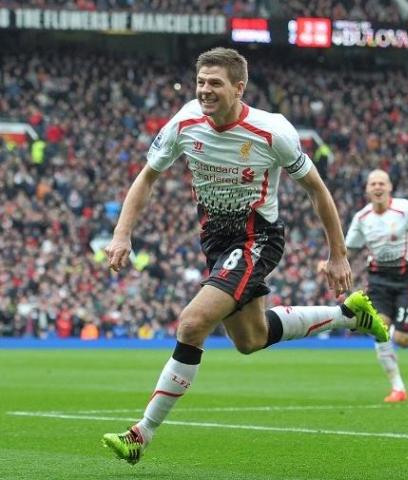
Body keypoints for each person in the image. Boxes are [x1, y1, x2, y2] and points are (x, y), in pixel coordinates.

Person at [101, 47, 388, 465]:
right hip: (216, 245)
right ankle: (349, 315)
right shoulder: (184, 123)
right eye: (201, 82)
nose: (205, 90)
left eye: (215, 83)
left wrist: (338, 254)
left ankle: (140, 434)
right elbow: (147, 178)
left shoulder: (271, 131)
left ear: (239, 87)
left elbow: (317, 190)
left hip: (257, 239)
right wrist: (122, 234)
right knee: (250, 340)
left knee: (193, 322)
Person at [340, 169, 408, 402]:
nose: (377, 187)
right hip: (378, 278)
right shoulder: (362, 218)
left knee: (403, 341)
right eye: (373, 183)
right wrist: (333, 262)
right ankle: (398, 388)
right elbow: (350, 249)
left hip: (407, 278)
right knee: (379, 328)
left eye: (381, 183)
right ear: (367, 190)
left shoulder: (406, 210)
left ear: (390, 187)